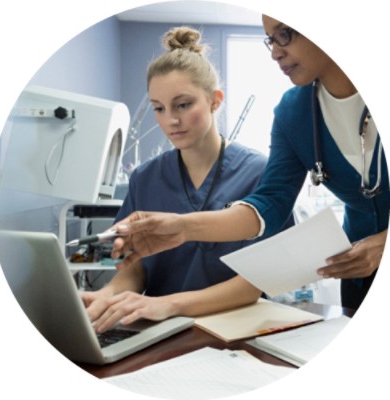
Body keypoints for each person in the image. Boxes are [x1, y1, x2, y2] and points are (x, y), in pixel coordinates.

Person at [111, 16, 389, 311]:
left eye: (285, 34)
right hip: (361, 269)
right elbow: (270, 203)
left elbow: (254, 284)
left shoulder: (251, 167)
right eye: (270, 39)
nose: (275, 52)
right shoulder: (294, 113)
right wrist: (182, 227)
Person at [81, 26, 289, 333]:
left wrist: (169, 304)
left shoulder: (260, 173)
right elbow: (134, 265)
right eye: (159, 109)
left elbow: (252, 285)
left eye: (183, 105)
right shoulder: (145, 178)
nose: (170, 120)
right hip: (156, 330)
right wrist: (107, 296)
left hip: (234, 330)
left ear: (215, 101)